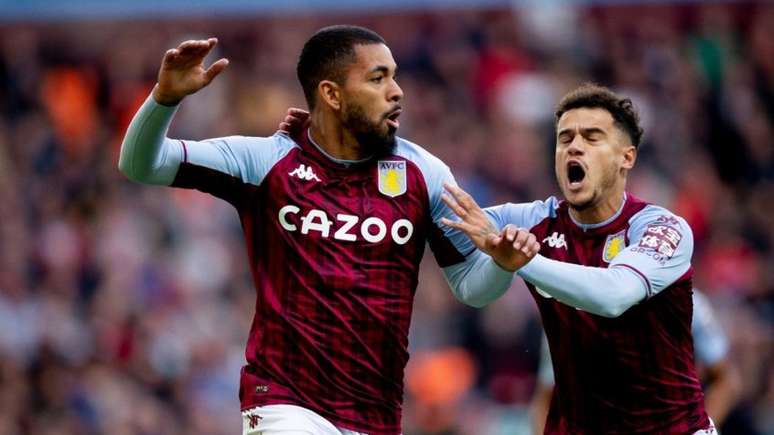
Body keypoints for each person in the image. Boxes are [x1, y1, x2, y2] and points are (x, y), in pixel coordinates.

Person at [117, 26, 538, 435]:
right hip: (283, 402)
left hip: (377, 414)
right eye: (378, 78)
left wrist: (501, 265)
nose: (397, 91)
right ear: (332, 94)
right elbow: (142, 165)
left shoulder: (423, 173)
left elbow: (471, 287)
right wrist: (164, 99)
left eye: (394, 75)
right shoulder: (264, 163)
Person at [439, 83, 718, 434]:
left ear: (626, 157)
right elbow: (474, 292)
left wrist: (524, 261)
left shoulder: (662, 227)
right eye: (565, 138)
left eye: (592, 137)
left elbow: (614, 296)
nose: (574, 146)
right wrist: (501, 264)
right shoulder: (533, 220)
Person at [529, 289, 742, 435]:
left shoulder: (689, 303)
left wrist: (694, 427)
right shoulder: (568, 314)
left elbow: (726, 380)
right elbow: (545, 399)